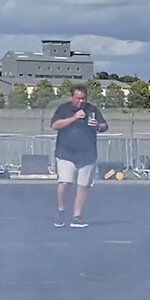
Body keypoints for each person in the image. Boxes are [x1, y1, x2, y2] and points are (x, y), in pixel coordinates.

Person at [50, 85, 108, 227]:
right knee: (65, 183)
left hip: (87, 154)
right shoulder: (64, 109)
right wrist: (74, 118)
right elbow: (55, 125)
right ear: (72, 97)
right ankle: (61, 211)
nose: (81, 101)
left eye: (83, 98)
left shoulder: (92, 110)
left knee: (82, 186)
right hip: (66, 153)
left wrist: (98, 126)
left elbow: (104, 126)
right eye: (78, 98)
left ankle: (77, 216)